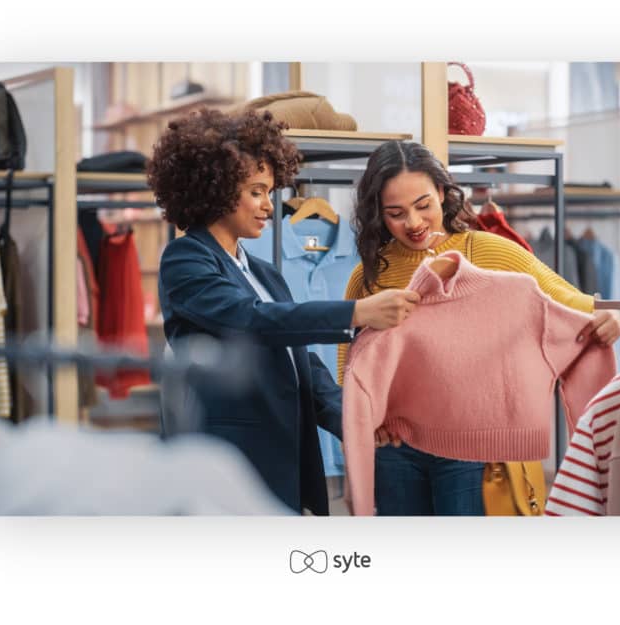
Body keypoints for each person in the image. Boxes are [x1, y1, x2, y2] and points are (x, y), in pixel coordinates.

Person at [147, 109, 419, 515]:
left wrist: (357, 420)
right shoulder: (185, 258)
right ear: (215, 188)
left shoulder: (264, 273)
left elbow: (299, 360)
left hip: (280, 458)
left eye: (270, 193)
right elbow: (249, 320)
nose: (268, 208)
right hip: (229, 463)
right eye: (257, 192)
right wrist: (356, 312)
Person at [337, 140, 620, 516]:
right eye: (396, 213)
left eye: (423, 205)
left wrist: (606, 317)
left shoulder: (490, 251)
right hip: (394, 450)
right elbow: (349, 361)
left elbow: (569, 302)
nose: (415, 223)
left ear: (442, 192)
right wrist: (367, 424)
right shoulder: (370, 275)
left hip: (471, 450)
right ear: (378, 214)